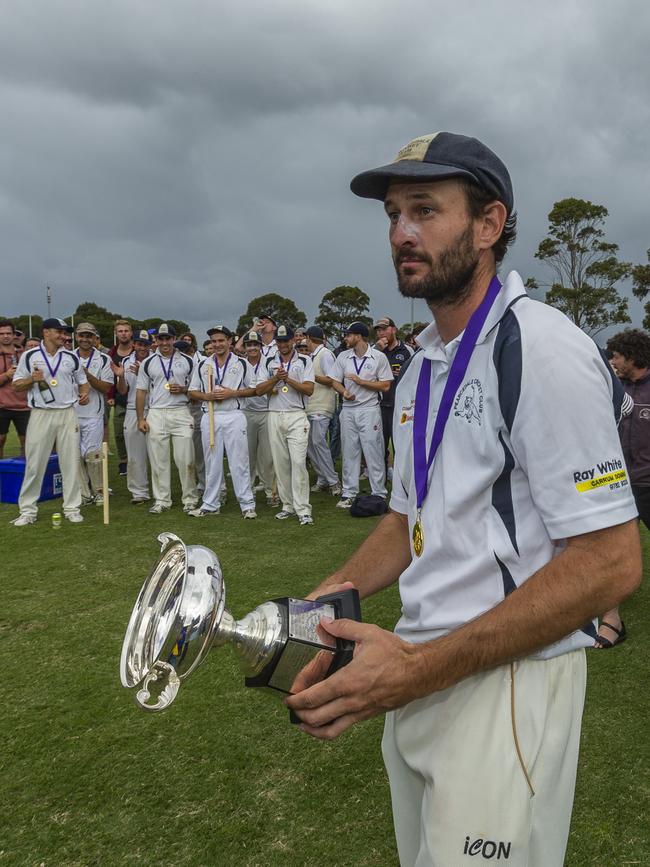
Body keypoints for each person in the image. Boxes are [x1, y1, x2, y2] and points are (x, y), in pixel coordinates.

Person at [285, 131, 641, 867]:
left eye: (425, 210)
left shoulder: (541, 347)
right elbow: (406, 520)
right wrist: (327, 598)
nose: (401, 234)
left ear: (488, 224)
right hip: (417, 662)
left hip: (505, 679)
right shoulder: (421, 364)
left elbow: (610, 562)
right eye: (392, 214)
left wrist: (421, 667)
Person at [597, 328, 650, 647]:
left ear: (631, 357)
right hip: (617, 484)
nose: (611, 360)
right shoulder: (612, 388)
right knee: (609, 550)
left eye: (616, 355)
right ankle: (611, 621)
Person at [11, 318, 89, 525]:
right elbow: (17, 385)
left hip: (67, 413)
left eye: (65, 333)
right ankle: (27, 511)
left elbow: (83, 383)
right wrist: (31, 380)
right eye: (60, 332)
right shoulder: (29, 356)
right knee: (35, 463)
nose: (64, 336)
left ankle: (72, 507)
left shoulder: (71, 357)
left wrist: (84, 394)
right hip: (40, 413)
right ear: (46, 332)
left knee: (70, 461)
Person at [188, 325, 257, 519]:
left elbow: (253, 389)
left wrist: (232, 393)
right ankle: (210, 503)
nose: (217, 344)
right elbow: (192, 391)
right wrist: (206, 396)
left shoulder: (242, 363)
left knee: (239, 461)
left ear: (229, 341)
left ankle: (247, 504)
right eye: (214, 341)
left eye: (221, 340)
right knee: (212, 461)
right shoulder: (203, 364)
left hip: (234, 415)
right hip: (210, 415)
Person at [135, 323, 198, 514]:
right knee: (158, 459)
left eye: (168, 338)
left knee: (185, 458)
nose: (164, 342)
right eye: (161, 339)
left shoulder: (188, 361)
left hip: (180, 411)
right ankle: (162, 500)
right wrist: (140, 418)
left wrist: (184, 389)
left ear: (173, 339)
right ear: (156, 340)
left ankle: (190, 498)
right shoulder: (148, 362)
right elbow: (141, 391)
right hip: (156, 412)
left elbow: (197, 389)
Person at [255, 325, 315, 524]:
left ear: (293, 341)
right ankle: (287, 505)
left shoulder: (305, 360)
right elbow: (259, 390)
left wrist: (287, 378)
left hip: (297, 415)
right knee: (280, 464)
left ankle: (303, 509)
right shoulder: (269, 361)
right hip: (274, 414)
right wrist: (275, 378)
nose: (283, 344)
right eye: (280, 341)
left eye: (286, 341)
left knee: (298, 462)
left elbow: (309, 389)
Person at [330, 321, 392, 508]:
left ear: (358, 336)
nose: (345, 338)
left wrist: (361, 382)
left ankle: (379, 493)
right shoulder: (343, 356)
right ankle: (349, 493)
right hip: (348, 410)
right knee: (349, 452)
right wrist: (344, 392)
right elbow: (334, 380)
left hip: (370, 409)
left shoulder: (378, 357)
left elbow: (386, 384)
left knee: (373, 450)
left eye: (348, 335)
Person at [74, 322, 114, 505]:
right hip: (71, 413)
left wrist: (87, 376)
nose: (85, 339)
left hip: (93, 414)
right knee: (74, 455)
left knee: (93, 455)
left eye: (89, 336)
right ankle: (83, 494)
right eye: (82, 335)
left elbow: (106, 387)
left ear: (95, 338)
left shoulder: (104, 359)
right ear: (76, 336)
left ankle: (99, 491)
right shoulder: (67, 357)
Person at [113, 329, 153, 504]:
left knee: (157, 453)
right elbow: (122, 391)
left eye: (145, 344)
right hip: (131, 408)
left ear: (150, 345)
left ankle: (161, 491)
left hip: (154, 408)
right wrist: (121, 377)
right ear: (134, 344)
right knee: (135, 453)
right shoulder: (126, 361)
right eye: (139, 344)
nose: (142, 347)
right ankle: (139, 492)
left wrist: (143, 375)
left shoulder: (156, 360)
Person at [241, 329, 278, 507]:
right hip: (247, 413)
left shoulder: (270, 362)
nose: (252, 348)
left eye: (256, 345)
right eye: (249, 345)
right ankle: (248, 492)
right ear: (245, 347)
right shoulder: (240, 364)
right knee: (247, 455)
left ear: (261, 347)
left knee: (267, 456)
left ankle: (270, 492)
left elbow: (276, 385)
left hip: (267, 412)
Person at [304, 325, 341, 495]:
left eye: (306, 338)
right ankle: (323, 479)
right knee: (310, 444)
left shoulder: (325, 354)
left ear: (310, 338)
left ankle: (333, 481)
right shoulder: (312, 356)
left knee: (318, 441)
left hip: (323, 405)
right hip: (311, 405)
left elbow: (332, 379)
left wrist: (310, 376)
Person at [373, 316, 413, 474]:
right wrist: (376, 350)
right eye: (378, 330)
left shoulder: (407, 350)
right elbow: (364, 373)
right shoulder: (374, 351)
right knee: (379, 445)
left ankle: (402, 477)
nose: (381, 333)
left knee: (401, 444)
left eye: (384, 328)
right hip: (380, 406)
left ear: (394, 330)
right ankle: (380, 480)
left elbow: (416, 375)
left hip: (400, 406)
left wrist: (402, 373)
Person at [0, 319, 29, 458]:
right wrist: (6, 375)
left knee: (27, 441)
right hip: (1, 406)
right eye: (2, 333)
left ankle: (25, 471)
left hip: (23, 405)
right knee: (0, 439)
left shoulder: (24, 354)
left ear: (13, 335)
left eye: (8, 333)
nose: (5, 336)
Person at [108, 320, 134, 475]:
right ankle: (123, 461)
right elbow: (109, 376)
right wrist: (110, 395)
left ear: (131, 333)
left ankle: (138, 459)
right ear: (116, 334)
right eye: (120, 331)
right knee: (119, 433)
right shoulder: (111, 354)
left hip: (137, 399)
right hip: (119, 399)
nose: (123, 333)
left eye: (126, 330)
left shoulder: (138, 351)